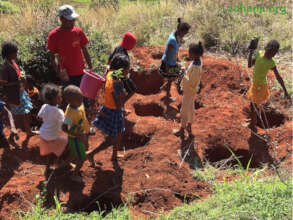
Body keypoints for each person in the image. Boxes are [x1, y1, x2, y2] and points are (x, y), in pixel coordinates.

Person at [47, 5, 92, 106]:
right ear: (61, 19)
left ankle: (84, 119)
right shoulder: (54, 35)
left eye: (74, 19)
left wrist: (90, 68)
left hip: (81, 72)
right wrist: (59, 72)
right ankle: (72, 120)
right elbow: (52, 56)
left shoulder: (78, 31)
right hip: (67, 76)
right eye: (70, 20)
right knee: (71, 101)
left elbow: (84, 50)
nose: (73, 22)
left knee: (84, 99)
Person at [92, 54, 134, 163]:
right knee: (112, 139)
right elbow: (119, 104)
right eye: (127, 69)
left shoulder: (110, 73)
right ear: (121, 70)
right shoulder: (118, 84)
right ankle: (91, 153)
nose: (128, 71)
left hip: (109, 107)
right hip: (113, 111)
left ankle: (114, 155)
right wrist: (126, 94)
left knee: (119, 132)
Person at [247, 39, 290, 132]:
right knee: (253, 104)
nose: (271, 55)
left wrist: (285, 90)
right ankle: (253, 120)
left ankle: (252, 124)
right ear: (266, 48)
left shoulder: (271, 63)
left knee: (253, 105)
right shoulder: (259, 54)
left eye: (274, 53)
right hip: (255, 84)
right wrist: (251, 52)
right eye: (270, 51)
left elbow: (278, 77)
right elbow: (249, 65)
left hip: (260, 86)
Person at [0, 41, 38, 140]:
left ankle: (27, 131)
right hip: (14, 93)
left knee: (25, 112)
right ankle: (17, 131)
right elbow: (3, 83)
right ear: (9, 53)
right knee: (20, 113)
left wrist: (21, 79)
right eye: (15, 52)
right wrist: (17, 82)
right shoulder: (5, 67)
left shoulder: (12, 62)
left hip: (20, 91)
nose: (16, 54)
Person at [30, 84, 67, 168]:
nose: (61, 99)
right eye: (59, 97)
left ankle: (48, 165)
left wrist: (48, 121)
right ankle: (58, 162)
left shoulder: (44, 106)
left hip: (43, 133)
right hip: (53, 135)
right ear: (54, 99)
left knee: (50, 151)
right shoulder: (59, 111)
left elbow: (38, 117)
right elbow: (66, 122)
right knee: (65, 142)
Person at [62, 85, 95, 174]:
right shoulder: (69, 114)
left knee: (74, 154)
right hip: (75, 138)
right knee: (81, 157)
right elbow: (64, 128)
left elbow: (83, 114)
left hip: (83, 133)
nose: (81, 101)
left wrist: (88, 129)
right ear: (70, 101)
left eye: (81, 98)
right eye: (79, 100)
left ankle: (64, 165)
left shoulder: (80, 104)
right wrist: (76, 134)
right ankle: (75, 174)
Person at [173, 42, 204, 138]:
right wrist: (185, 71)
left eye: (190, 53)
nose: (188, 54)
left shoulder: (196, 67)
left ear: (195, 54)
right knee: (190, 108)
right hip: (192, 90)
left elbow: (191, 82)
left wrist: (183, 74)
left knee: (184, 110)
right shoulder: (197, 62)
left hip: (189, 91)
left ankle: (182, 129)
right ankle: (189, 125)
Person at [160, 18, 191, 100]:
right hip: (168, 63)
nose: (184, 35)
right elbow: (167, 53)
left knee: (174, 76)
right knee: (171, 77)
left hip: (172, 62)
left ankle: (165, 87)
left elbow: (175, 51)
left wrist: (177, 59)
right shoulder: (172, 40)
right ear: (180, 31)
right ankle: (167, 96)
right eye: (184, 33)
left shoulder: (176, 36)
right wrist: (166, 66)